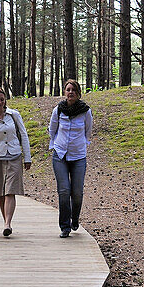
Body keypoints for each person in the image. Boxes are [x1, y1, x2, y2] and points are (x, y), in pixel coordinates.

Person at [0, 87, 32, 237]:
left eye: (2, 99)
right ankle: (6, 223)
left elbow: (23, 135)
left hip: (14, 156)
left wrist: (27, 157)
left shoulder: (14, 115)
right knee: (1, 192)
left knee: (10, 190)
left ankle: (7, 223)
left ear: (5, 100)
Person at [48, 79, 92, 238]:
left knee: (77, 192)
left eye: (73, 89)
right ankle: (65, 226)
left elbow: (88, 131)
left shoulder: (86, 111)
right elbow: (52, 129)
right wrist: (54, 146)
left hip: (79, 156)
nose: (70, 92)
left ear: (78, 93)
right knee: (64, 190)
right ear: (64, 92)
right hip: (60, 155)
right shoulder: (58, 110)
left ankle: (75, 218)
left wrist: (82, 145)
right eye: (68, 89)